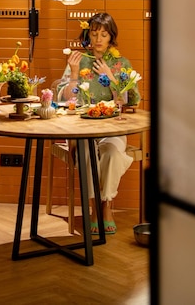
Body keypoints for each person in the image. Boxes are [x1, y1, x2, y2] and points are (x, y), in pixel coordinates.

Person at [58, 12, 141, 235]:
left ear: (111, 37)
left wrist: (111, 77)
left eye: (104, 34)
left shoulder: (121, 63)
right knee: (86, 152)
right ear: (88, 35)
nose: (98, 39)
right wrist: (74, 73)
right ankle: (96, 209)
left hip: (112, 128)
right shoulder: (79, 60)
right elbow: (65, 99)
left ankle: (106, 206)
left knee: (112, 155)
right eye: (94, 34)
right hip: (82, 130)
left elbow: (131, 100)